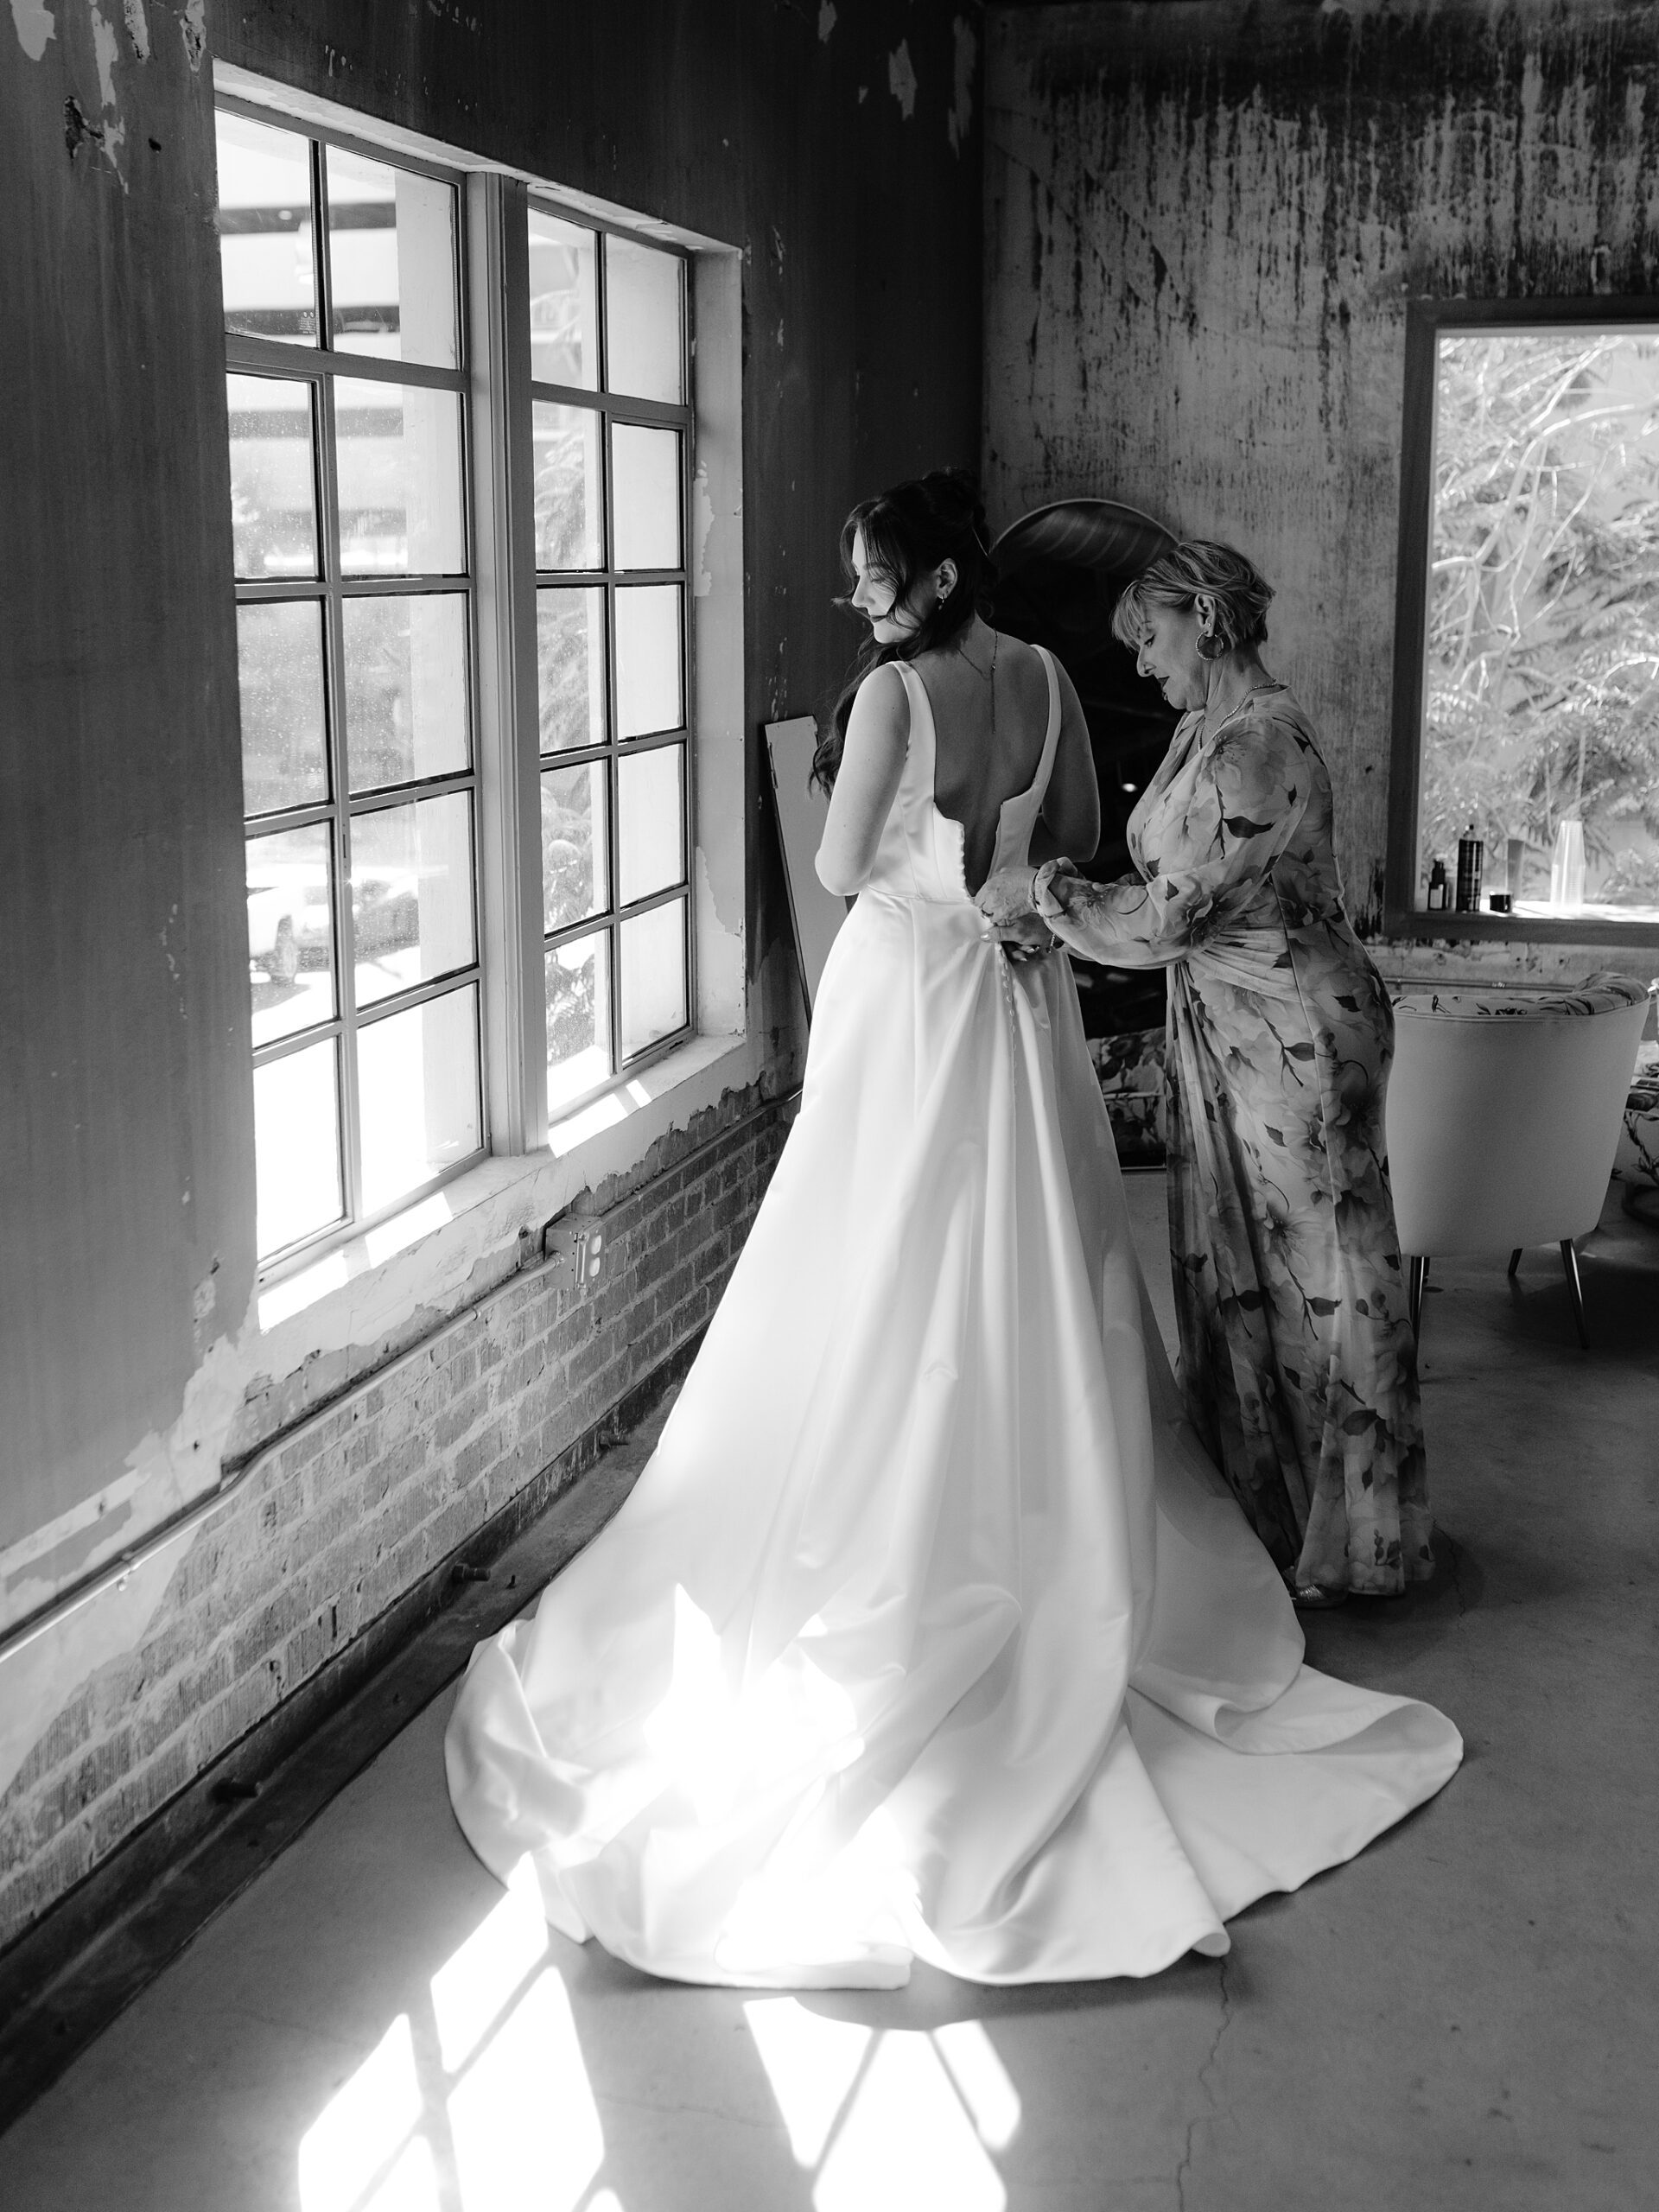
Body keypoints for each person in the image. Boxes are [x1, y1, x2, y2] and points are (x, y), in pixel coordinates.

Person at [443, 477, 1459, 1990]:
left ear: (920, 583)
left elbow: (850, 870)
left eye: (865, 581)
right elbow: (1066, 844)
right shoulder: (1052, 679)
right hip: (1017, 989)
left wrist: (903, 820)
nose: (855, 604)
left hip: (916, 999)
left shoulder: (894, 698)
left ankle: (912, 1517)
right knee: (1040, 1250)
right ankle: (1074, 1495)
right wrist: (1010, 888)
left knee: (879, 1264)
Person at [977, 539, 1433, 1607]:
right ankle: (1273, 1517)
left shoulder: (1259, 750)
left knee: (1324, 1280)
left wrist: (1044, 897)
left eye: (1152, 636)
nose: (1141, 662)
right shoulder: (1201, 733)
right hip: (1230, 1027)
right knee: (1245, 1276)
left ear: (1210, 621)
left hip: (1299, 1036)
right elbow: (1167, 892)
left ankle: (1357, 1546)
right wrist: (1066, 917)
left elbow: (1173, 913)